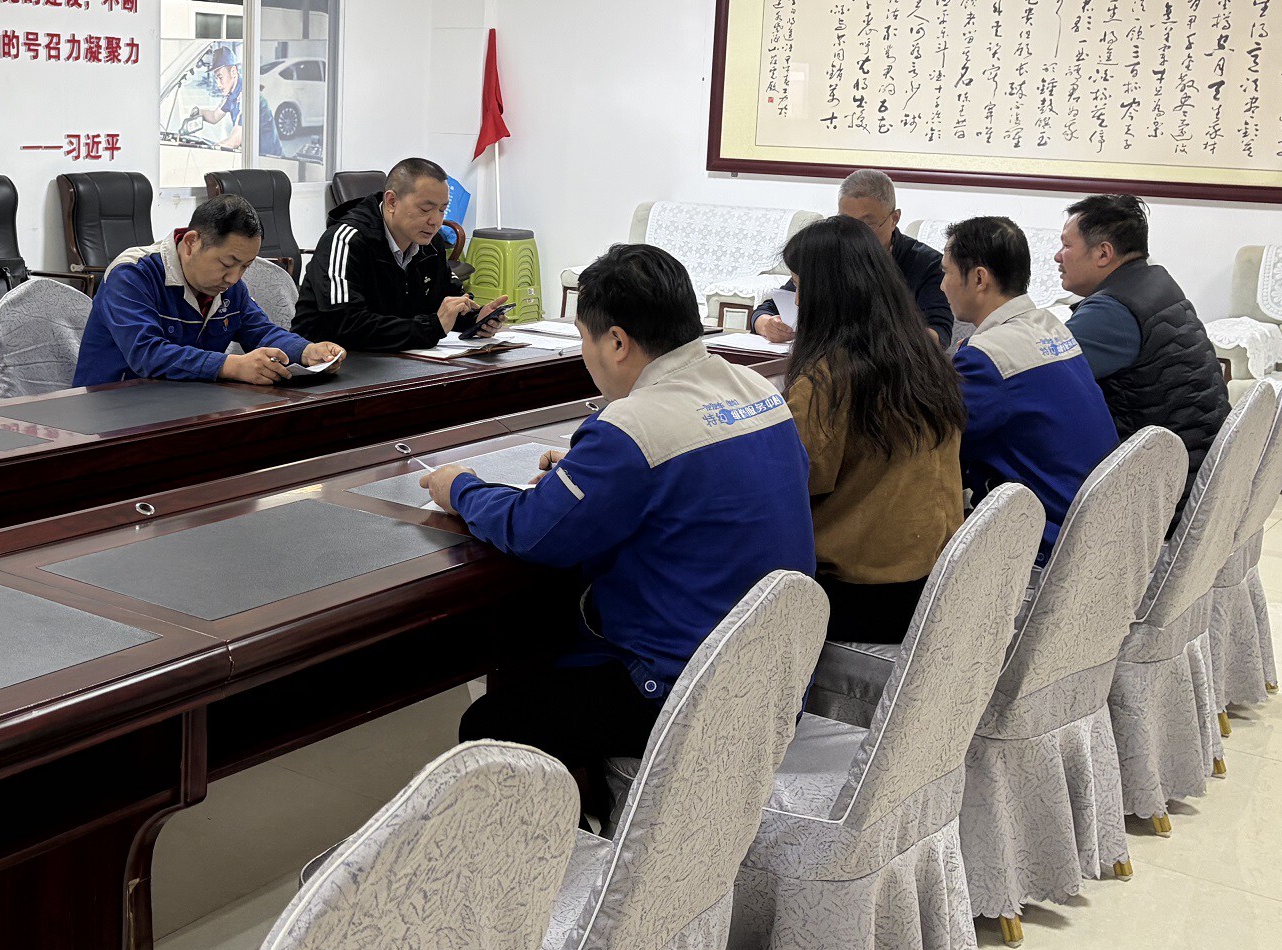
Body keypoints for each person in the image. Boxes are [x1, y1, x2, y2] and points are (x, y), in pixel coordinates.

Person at [423, 243, 814, 820]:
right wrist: (592, 476)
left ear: (616, 341)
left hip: (683, 692)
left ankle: (555, 859)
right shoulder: (757, 391)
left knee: (494, 722)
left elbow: (533, 532)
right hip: (776, 675)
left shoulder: (632, 425)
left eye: (584, 338)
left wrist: (460, 487)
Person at [780, 214, 966, 642]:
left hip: (862, 596)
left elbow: (794, 482)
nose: (799, 301)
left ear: (828, 292)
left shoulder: (828, 378)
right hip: (935, 581)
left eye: (801, 286)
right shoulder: (923, 356)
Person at [941, 216, 1119, 559]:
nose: (942, 286)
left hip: (1048, 546)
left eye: (946, 272)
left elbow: (929, 444)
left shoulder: (989, 358)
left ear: (979, 278)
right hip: (1097, 526)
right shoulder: (1053, 327)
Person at [1053, 192, 1231, 491]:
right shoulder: (1156, 283)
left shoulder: (1112, 311)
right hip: (1199, 466)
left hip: (1160, 488)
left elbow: (1043, 380)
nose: (1058, 256)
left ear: (1103, 253)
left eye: (1066, 245)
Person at [71, 192, 342, 386]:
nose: (234, 278)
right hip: (111, 412)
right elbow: (147, 354)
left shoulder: (228, 286)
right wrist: (231, 365)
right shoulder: (132, 274)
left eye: (245, 267)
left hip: (182, 406)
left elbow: (260, 332)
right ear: (191, 243)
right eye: (227, 263)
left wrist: (306, 351)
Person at [294, 156, 507, 351]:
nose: (435, 221)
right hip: (332, 363)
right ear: (392, 202)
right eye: (426, 209)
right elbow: (346, 324)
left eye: (442, 210)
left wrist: (475, 319)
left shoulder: (431, 244)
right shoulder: (345, 240)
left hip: (396, 361)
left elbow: (443, 303)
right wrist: (430, 328)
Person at [752, 168, 953, 346]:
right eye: (845, 222)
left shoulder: (926, 264)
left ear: (894, 219)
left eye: (867, 224)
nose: (854, 234)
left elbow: (939, 333)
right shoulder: (831, 255)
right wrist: (767, 325)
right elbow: (769, 309)